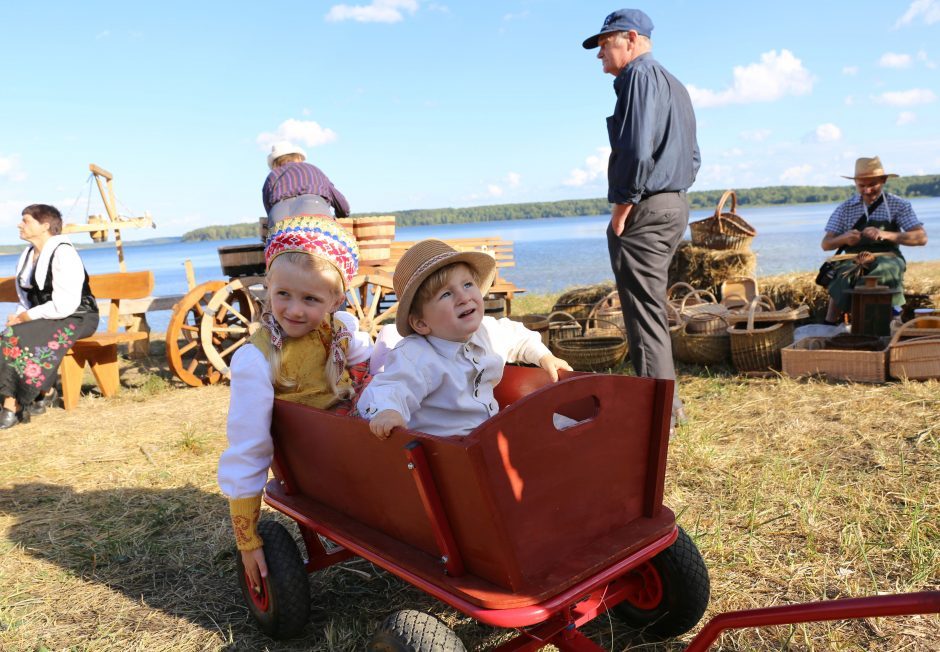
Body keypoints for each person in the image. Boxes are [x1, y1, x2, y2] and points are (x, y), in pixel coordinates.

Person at [217, 215, 372, 592]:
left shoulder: (342, 330)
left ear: (336, 300)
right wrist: (248, 540)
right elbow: (249, 445)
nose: (295, 310)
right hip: (317, 467)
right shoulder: (257, 359)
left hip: (361, 444)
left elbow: (373, 370)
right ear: (268, 285)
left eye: (311, 299)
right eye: (283, 294)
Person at [582, 9, 700, 428]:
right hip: (674, 203)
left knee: (642, 309)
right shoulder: (675, 84)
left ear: (630, 38)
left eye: (604, 44)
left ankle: (657, 416)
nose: (599, 55)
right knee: (651, 304)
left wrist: (623, 203)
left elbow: (634, 147)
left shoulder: (638, 77)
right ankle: (667, 408)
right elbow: (693, 156)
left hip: (647, 206)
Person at [356, 239, 571, 439]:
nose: (463, 297)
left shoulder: (487, 331)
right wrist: (388, 412)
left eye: (467, 284)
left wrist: (544, 356)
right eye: (446, 294)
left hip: (490, 431)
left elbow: (518, 337)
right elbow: (391, 387)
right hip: (450, 453)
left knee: (560, 422)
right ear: (421, 323)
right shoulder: (415, 355)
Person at [0, 204, 99, 429]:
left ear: (44, 226)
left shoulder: (64, 253)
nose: (19, 224)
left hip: (78, 317)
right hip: (47, 317)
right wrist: (18, 316)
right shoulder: (27, 256)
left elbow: (65, 305)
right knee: (9, 334)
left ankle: (12, 405)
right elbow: (25, 299)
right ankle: (46, 390)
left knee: (17, 337)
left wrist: (26, 318)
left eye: (25, 220)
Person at [821, 156, 928, 323]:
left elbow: (921, 238)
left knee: (885, 270)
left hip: (888, 256)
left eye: (873, 185)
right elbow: (826, 244)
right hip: (852, 257)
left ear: (883, 180)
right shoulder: (845, 208)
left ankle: (887, 320)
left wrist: (886, 234)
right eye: (862, 186)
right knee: (844, 274)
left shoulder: (898, 205)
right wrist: (844, 238)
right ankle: (833, 323)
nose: (867, 190)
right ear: (855, 183)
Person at [261, 141, 351, 227]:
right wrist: (340, 217)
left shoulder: (271, 177)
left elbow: (269, 212)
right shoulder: (314, 170)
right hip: (316, 215)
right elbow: (343, 206)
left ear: (274, 163)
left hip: (279, 221)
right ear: (298, 157)